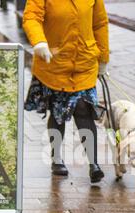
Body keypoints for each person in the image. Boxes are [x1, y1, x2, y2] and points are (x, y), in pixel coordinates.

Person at [23, 0, 109, 183]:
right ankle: (56, 159)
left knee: (83, 109)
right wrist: (39, 41)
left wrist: (103, 57)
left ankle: (93, 163)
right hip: (54, 62)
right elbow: (32, 17)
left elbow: (100, 23)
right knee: (58, 112)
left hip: (84, 62)